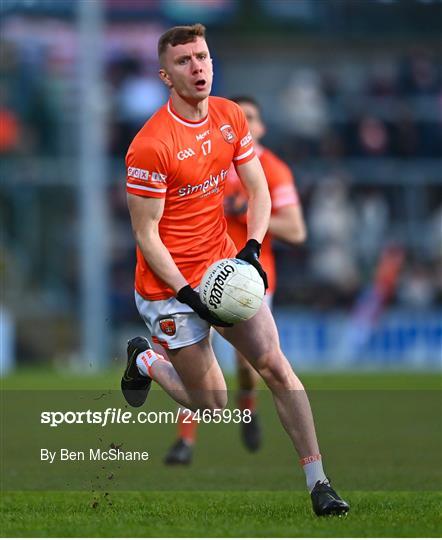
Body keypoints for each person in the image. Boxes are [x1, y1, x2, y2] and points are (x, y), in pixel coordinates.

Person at [121, 23, 349, 516]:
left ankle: (320, 483)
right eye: (184, 61)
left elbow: (259, 190)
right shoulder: (150, 145)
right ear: (165, 75)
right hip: (166, 286)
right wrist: (185, 292)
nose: (197, 67)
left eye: (202, 57)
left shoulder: (228, 116)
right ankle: (145, 360)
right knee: (213, 405)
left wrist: (249, 249)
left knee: (274, 364)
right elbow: (146, 235)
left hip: (223, 267)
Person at [164, 95, 307, 464]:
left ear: (260, 128)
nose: (243, 123)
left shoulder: (273, 170)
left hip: (251, 277)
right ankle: (186, 441)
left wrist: (247, 216)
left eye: (251, 117)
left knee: (249, 365)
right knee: (196, 351)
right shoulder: (208, 159)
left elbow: (295, 230)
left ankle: (248, 407)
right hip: (201, 270)